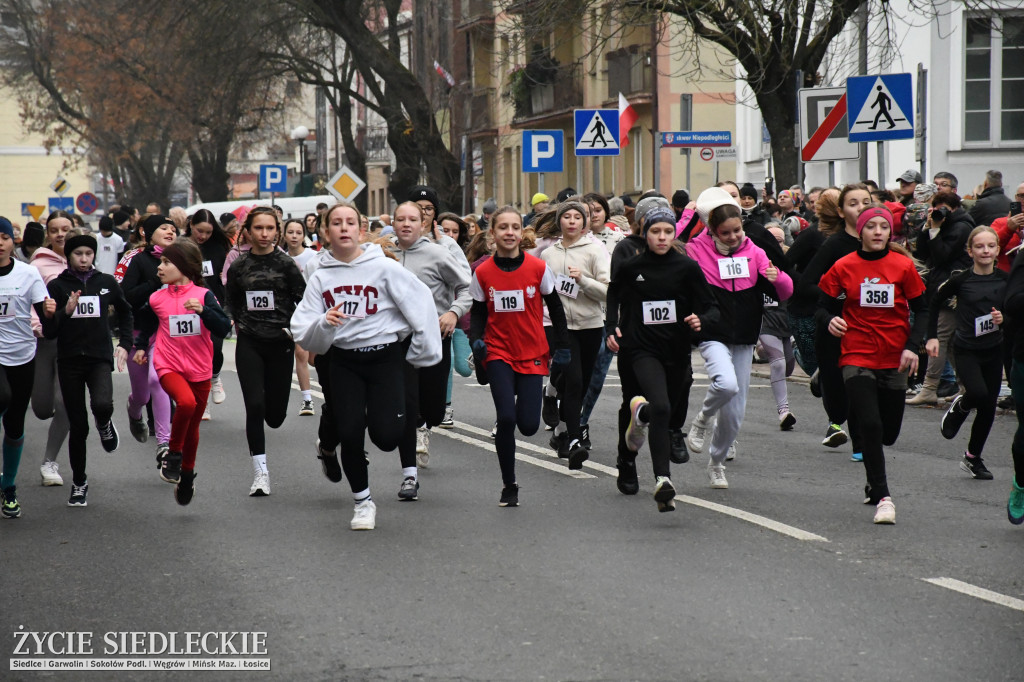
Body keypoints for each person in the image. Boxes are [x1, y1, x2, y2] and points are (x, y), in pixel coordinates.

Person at [291, 202, 441, 530]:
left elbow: (421, 303)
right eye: (336, 223)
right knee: (349, 432)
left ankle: (379, 425)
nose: (344, 228)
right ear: (326, 232)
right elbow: (303, 329)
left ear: (361, 230)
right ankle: (362, 502)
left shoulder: (384, 268)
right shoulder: (321, 276)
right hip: (345, 361)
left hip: (385, 359)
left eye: (350, 222)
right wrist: (325, 323)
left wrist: (421, 353)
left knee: (387, 437)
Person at [818, 206, 927, 524]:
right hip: (857, 354)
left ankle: (872, 478)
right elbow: (822, 304)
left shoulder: (902, 266)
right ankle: (884, 497)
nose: (878, 231)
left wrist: (913, 346)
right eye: (871, 227)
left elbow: (923, 309)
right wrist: (831, 320)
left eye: (883, 226)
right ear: (861, 232)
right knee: (870, 424)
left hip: (895, 356)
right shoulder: (844, 266)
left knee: (888, 433)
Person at [605, 208, 718, 511]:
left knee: (662, 406)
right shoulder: (632, 267)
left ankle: (636, 453)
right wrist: (611, 325)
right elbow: (613, 292)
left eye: (668, 232)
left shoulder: (687, 267)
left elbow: (710, 306)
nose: (662, 237)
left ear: (674, 234)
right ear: (646, 233)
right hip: (639, 349)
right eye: (656, 232)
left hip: (677, 350)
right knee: (657, 405)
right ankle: (654, 475)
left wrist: (700, 320)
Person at [684, 187, 793, 488]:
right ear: (712, 230)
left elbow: (784, 292)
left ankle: (717, 463)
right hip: (712, 332)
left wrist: (778, 278)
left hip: (745, 335)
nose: (733, 237)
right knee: (725, 383)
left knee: (735, 413)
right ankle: (703, 420)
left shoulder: (754, 251)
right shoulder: (696, 249)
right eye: (725, 233)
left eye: (737, 230)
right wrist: (687, 216)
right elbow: (678, 257)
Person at [469, 206, 571, 506]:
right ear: (493, 233)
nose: (509, 232)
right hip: (498, 351)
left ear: (521, 232)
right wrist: (476, 340)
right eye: (503, 227)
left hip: (532, 351)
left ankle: (532, 399)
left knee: (528, 425)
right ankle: (509, 484)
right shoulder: (483, 271)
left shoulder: (537, 268)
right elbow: (477, 312)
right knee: (506, 417)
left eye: (515, 227)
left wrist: (562, 346)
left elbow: (555, 307)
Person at [133, 239, 231, 504]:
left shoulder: (203, 296)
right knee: (185, 403)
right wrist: (141, 346)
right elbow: (145, 323)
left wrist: (204, 312)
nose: (160, 268)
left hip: (200, 368)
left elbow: (224, 328)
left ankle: (186, 476)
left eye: (166, 262)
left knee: (193, 427)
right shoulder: (156, 298)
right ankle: (173, 455)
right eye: (160, 262)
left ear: (184, 266)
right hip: (169, 364)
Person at [40, 233, 133, 506]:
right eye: (78, 254)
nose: (83, 259)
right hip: (69, 360)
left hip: (99, 357)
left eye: (88, 254)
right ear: (69, 256)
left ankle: (104, 423)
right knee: (78, 425)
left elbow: (126, 312)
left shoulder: (105, 282)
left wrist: (125, 343)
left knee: (103, 404)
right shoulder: (57, 286)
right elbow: (49, 329)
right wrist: (64, 312)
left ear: (94, 256)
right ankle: (79, 482)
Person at [225, 207, 306, 497]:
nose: (264, 234)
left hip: (280, 343)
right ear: (247, 231)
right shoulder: (240, 265)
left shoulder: (286, 265)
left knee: (275, 416)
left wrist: (298, 329)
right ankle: (261, 472)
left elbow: (304, 300)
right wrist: (232, 322)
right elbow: (230, 301)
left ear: (277, 231)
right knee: (254, 406)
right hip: (249, 341)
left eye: (270, 228)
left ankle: (273, 419)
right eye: (258, 228)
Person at [392, 201, 471, 486]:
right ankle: (409, 475)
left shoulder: (438, 254)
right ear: (393, 223)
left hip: (434, 337)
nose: (406, 224)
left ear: (422, 223)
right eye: (400, 219)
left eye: (412, 219)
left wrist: (453, 312)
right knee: (407, 405)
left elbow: (466, 289)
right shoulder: (382, 254)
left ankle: (427, 423)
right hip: (397, 341)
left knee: (434, 410)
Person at [797, 184, 874, 456]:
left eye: (866, 201)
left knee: (860, 384)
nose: (861, 207)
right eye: (854, 203)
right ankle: (829, 395)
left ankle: (862, 443)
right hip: (834, 324)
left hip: (868, 329)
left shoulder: (881, 244)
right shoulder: (834, 245)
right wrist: (838, 294)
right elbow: (806, 284)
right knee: (839, 386)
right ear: (841, 212)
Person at [928, 226, 1007, 480]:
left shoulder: (1005, 280)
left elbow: (1015, 312)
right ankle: (960, 405)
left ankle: (973, 458)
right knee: (977, 393)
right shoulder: (961, 280)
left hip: (994, 349)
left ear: (997, 249)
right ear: (970, 251)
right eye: (980, 246)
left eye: (991, 246)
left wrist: (1003, 319)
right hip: (966, 349)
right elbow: (934, 302)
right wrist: (931, 336)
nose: (986, 251)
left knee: (988, 408)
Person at [540, 199, 609, 469]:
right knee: (575, 379)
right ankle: (574, 440)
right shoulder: (548, 254)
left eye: (577, 217)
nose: (572, 221)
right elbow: (543, 290)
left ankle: (560, 433)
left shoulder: (595, 250)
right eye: (566, 216)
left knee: (580, 384)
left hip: (590, 324)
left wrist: (583, 280)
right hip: (556, 326)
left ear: (584, 222)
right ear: (559, 222)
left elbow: (607, 290)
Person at [0, 216, 54, 518]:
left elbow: (46, 318)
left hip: (22, 354)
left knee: (16, 424)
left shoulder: (28, 273)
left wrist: (50, 310)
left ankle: (8, 486)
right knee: (2, 397)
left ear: (12, 241)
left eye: (4, 237)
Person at [119, 215, 177, 471]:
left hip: (165, 332)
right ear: (147, 233)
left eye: (174, 228)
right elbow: (126, 297)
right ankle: (134, 412)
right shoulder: (137, 260)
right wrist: (155, 283)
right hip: (139, 331)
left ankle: (164, 443)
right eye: (163, 228)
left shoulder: (182, 258)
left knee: (157, 380)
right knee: (142, 394)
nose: (170, 231)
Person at [909, 192, 976, 405]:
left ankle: (929, 388)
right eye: (936, 207)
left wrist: (936, 230)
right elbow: (920, 253)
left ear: (954, 208)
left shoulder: (962, 227)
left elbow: (940, 256)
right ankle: (965, 387)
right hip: (940, 287)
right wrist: (928, 228)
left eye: (944, 207)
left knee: (939, 337)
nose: (939, 212)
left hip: (952, 291)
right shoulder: (942, 225)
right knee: (953, 342)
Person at [30, 211, 73, 486]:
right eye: (55, 230)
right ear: (48, 234)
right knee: (43, 408)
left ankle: (50, 462)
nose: (60, 234)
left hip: (74, 344)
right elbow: (31, 301)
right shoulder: (38, 266)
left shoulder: (85, 260)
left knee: (65, 404)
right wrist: (38, 326)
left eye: (65, 229)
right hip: (46, 340)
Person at [185, 209, 232, 414]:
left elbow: (228, 275)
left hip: (214, 303)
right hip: (186, 305)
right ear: (191, 226)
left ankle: (215, 376)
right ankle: (200, 401)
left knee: (216, 346)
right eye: (199, 231)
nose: (202, 236)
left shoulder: (219, 247)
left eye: (208, 232)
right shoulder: (182, 245)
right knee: (193, 351)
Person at [284, 218, 317, 416]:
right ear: (284, 235)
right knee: (300, 353)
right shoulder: (282, 259)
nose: (294, 236)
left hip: (315, 312)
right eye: (291, 232)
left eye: (298, 232)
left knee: (315, 359)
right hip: (295, 313)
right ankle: (307, 399)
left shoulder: (314, 257)